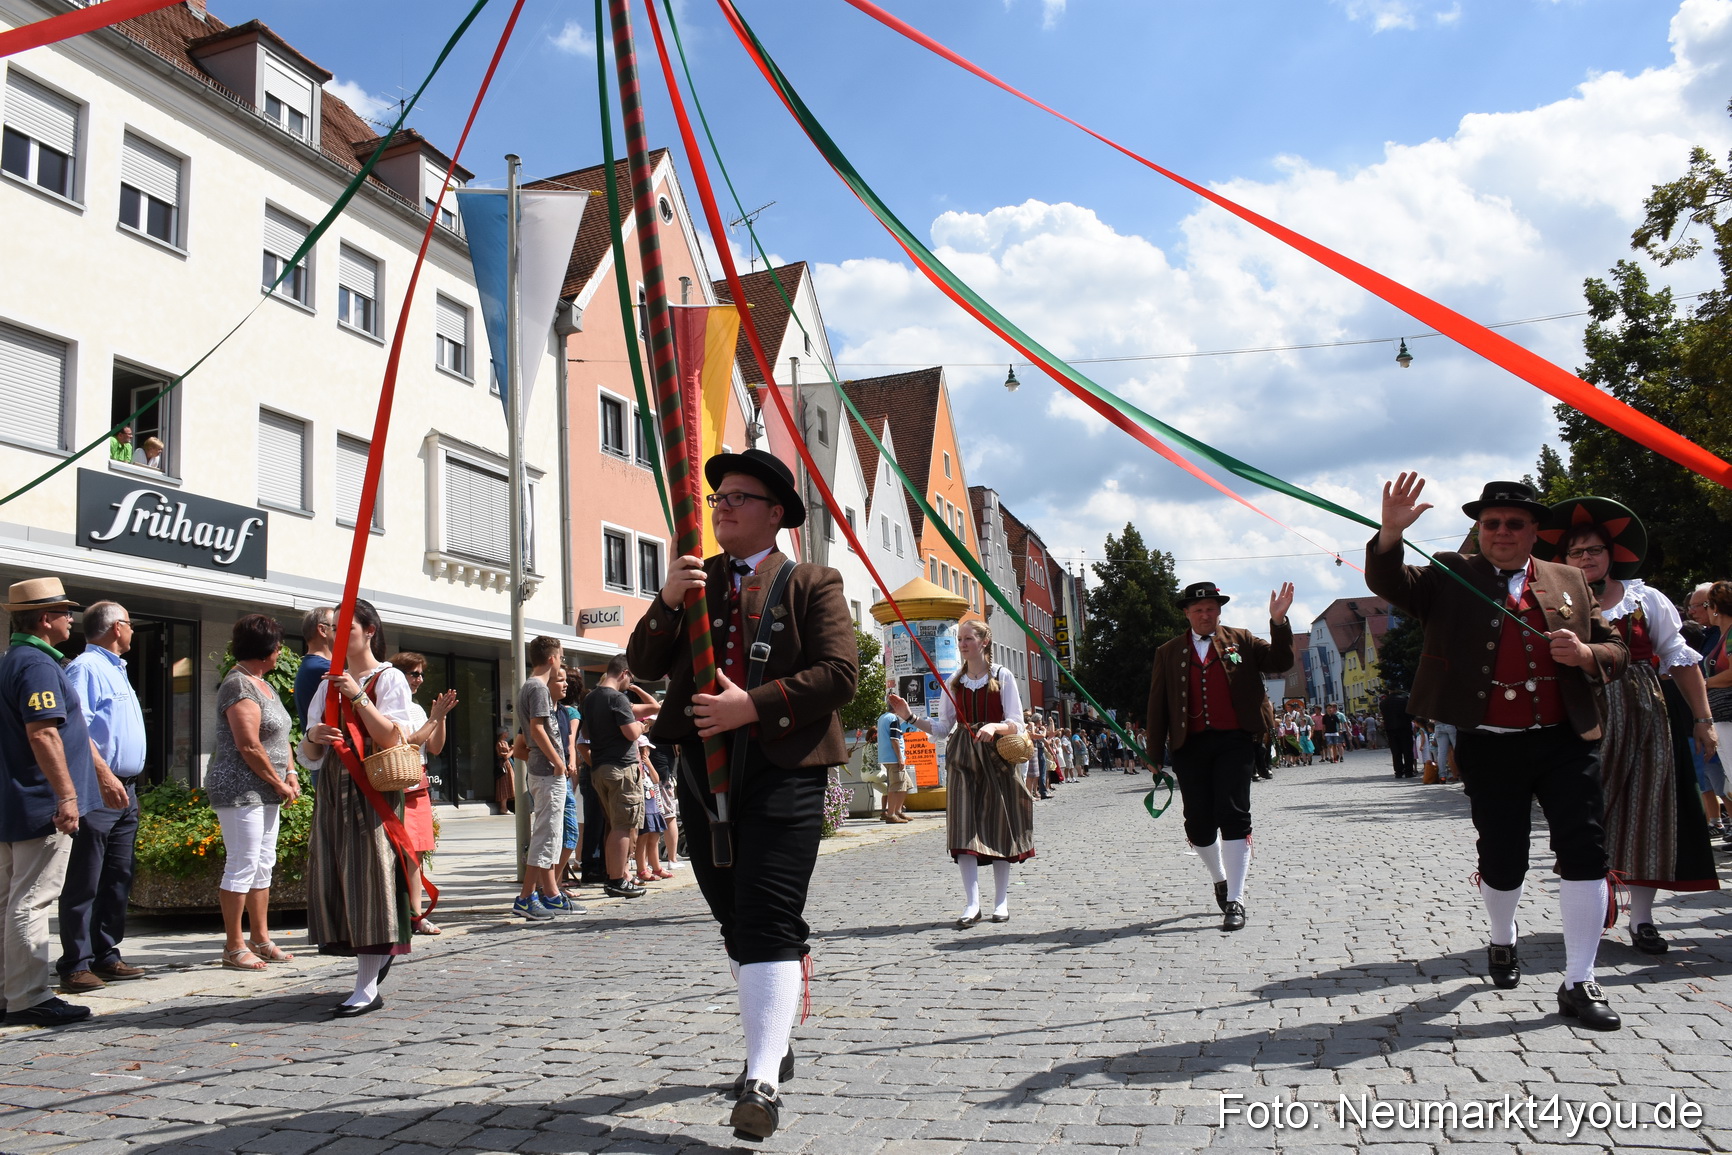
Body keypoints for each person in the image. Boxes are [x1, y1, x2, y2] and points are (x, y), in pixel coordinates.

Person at [627, 448, 857, 1142]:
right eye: (719, 495)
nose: (721, 505)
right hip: (702, 770)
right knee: (732, 914)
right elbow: (640, 662)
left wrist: (752, 706)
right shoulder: (693, 584)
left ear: (775, 512)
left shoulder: (813, 581)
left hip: (785, 767)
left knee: (766, 913)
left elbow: (839, 674)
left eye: (738, 497)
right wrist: (667, 600)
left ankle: (760, 1078)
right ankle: (773, 1038)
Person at [1367, 476, 1627, 1031]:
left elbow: (1617, 649)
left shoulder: (1570, 580)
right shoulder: (1447, 574)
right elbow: (1389, 580)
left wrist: (1585, 653)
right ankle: (1502, 939)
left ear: (1534, 531)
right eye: (1491, 523)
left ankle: (1580, 980)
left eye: (1514, 523)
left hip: (1564, 737)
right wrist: (1390, 531)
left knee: (1585, 850)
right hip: (1489, 743)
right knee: (1503, 857)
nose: (1502, 532)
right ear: (1478, 530)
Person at [1538, 498, 1720, 955]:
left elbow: (1681, 661)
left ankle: (1642, 919)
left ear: (1611, 553)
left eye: (1594, 550)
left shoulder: (1645, 598)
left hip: (1643, 714)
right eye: (1576, 552)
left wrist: (1703, 719)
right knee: (1586, 813)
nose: (1586, 558)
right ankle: (1593, 903)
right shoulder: (1548, 602)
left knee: (1649, 810)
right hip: (1578, 713)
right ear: (1561, 560)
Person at [0, 578, 127, 1026]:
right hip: (40, 803)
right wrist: (67, 795)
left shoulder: (12, 659)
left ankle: (9, 990)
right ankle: (28, 996)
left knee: (10, 899)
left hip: (16, 801)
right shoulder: (36, 665)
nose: (71, 619)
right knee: (32, 901)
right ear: (44, 618)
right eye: (64, 612)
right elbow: (45, 731)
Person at [1145, 580, 1295, 932]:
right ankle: (1220, 878)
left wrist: (1278, 622)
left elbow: (1281, 661)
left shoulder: (1240, 639)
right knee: (1197, 823)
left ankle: (1236, 899)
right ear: (1186, 613)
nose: (1204, 615)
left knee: (1233, 813)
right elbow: (1157, 704)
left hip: (1235, 740)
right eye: (1197, 610)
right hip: (1190, 744)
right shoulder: (1168, 652)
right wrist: (1154, 752)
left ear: (1219, 611)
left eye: (1211, 609)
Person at [298, 599, 419, 1017]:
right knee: (337, 872)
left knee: (371, 874)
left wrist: (358, 697)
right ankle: (368, 967)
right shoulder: (325, 682)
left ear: (369, 630)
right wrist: (314, 733)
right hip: (334, 787)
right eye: (330, 627)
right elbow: (308, 753)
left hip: (372, 786)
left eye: (343, 626)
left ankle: (366, 985)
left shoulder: (390, 678)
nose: (333, 634)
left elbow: (393, 739)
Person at [891, 618, 1032, 928]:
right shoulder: (954, 681)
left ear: (983, 642)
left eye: (969, 638)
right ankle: (971, 904)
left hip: (997, 759)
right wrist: (910, 716)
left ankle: (1001, 901)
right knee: (963, 828)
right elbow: (942, 729)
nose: (963, 644)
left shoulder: (1002, 676)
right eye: (961, 640)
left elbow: (1017, 723)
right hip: (963, 760)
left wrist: (994, 726)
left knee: (998, 827)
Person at [57, 601, 148, 994]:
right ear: (116, 627)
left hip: (125, 788)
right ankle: (75, 964)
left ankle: (105, 954)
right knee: (85, 879)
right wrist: (105, 776)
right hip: (100, 789)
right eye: (129, 623)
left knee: (117, 877)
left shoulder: (116, 669)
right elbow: (75, 729)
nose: (132, 630)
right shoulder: (86, 668)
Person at [208, 615, 300, 972]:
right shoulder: (238, 685)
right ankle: (234, 945)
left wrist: (289, 773)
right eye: (277, 646)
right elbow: (248, 744)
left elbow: (279, 738)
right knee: (242, 863)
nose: (280, 652)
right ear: (265, 651)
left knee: (263, 863)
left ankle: (261, 939)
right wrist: (277, 783)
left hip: (268, 789)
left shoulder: (264, 685)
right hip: (240, 789)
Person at [388, 653, 458, 934]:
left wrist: (438, 719)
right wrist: (434, 718)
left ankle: (416, 914)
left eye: (421, 674)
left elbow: (436, 748)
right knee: (392, 853)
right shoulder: (388, 707)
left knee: (415, 852)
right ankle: (396, 911)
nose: (419, 679)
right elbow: (408, 744)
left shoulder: (417, 710)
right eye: (414, 674)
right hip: (393, 784)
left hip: (417, 786)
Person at [512, 643, 575, 919]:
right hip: (548, 772)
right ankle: (525, 898)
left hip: (544, 771)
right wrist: (559, 762)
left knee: (550, 836)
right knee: (545, 836)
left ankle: (548, 895)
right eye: (561, 657)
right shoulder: (537, 688)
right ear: (551, 658)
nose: (562, 662)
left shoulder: (531, 686)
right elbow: (537, 729)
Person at [582, 654, 649, 900]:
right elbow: (631, 733)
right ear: (624, 673)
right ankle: (617, 880)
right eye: (630, 677)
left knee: (613, 826)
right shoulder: (617, 698)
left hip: (599, 767)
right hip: (621, 768)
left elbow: (587, 733)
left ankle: (614, 877)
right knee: (623, 826)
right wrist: (643, 725)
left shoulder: (590, 698)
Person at [293, 607, 335, 791]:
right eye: (338, 626)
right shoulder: (322, 670)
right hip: (332, 764)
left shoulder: (312, 666)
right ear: (322, 630)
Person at [1380, 691, 1414, 778]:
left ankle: (1398, 772)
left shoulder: (1383, 702)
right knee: (1407, 750)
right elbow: (1411, 714)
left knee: (1395, 751)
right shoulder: (1404, 700)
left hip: (1390, 729)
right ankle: (1408, 771)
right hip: (1404, 727)